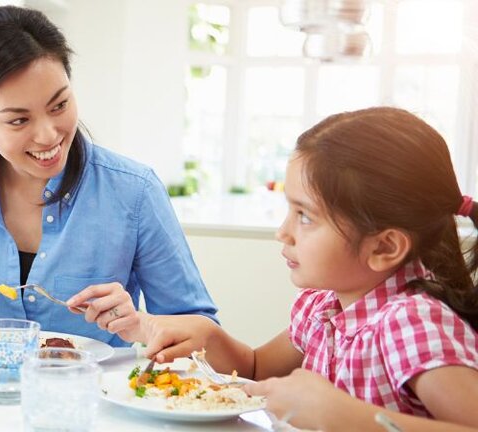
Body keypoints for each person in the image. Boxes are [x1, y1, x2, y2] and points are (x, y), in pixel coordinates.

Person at [139, 107, 478, 429]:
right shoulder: (323, 307)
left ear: (384, 247)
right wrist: (209, 336)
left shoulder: (411, 323)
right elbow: (256, 367)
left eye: (305, 216)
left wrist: (342, 417)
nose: (283, 232)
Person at [0, 5, 218, 346]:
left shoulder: (135, 192)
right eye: (19, 120)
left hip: (93, 396)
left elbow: (203, 332)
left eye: (59, 106)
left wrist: (140, 323)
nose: (48, 136)